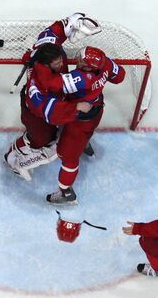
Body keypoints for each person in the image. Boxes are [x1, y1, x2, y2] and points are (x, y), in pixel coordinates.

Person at [4, 13, 101, 181]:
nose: (61, 64)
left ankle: (78, 140)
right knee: (40, 140)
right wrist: (75, 108)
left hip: (54, 100)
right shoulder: (39, 86)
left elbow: (55, 31)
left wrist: (76, 19)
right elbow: (50, 111)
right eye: (56, 64)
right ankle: (11, 156)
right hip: (36, 114)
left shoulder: (48, 50)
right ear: (46, 65)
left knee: (65, 128)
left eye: (60, 60)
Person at [44, 46, 125, 205]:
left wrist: (37, 66)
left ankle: (66, 193)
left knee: (67, 157)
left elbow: (50, 85)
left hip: (79, 122)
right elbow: (120, 76)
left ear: (88, 67)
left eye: (81, 60)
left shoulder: (80, 79)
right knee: (87, 131)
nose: (78, 60)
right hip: (96, 109)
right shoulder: (105, 63)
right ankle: (84, 144)